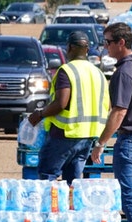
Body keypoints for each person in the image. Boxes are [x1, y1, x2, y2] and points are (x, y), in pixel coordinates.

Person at [91, 22, 132, 222]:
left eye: (108, 42)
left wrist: (101, 143)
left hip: (131, 141)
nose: (105, 46)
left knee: (129, 196)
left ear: (121, 43)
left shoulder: (124, 73)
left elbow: (119, 112)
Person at [28, 31, 110, 185]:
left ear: (69, 47)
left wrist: (39, 114)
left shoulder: (66, 71)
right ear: (87, 50)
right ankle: (70, 208)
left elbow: (61, 103)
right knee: (73, 182)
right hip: (88, 136)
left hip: (65, 133)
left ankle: (50, 209)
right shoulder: (98, 73)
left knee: (48, 177)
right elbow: (108, 105)